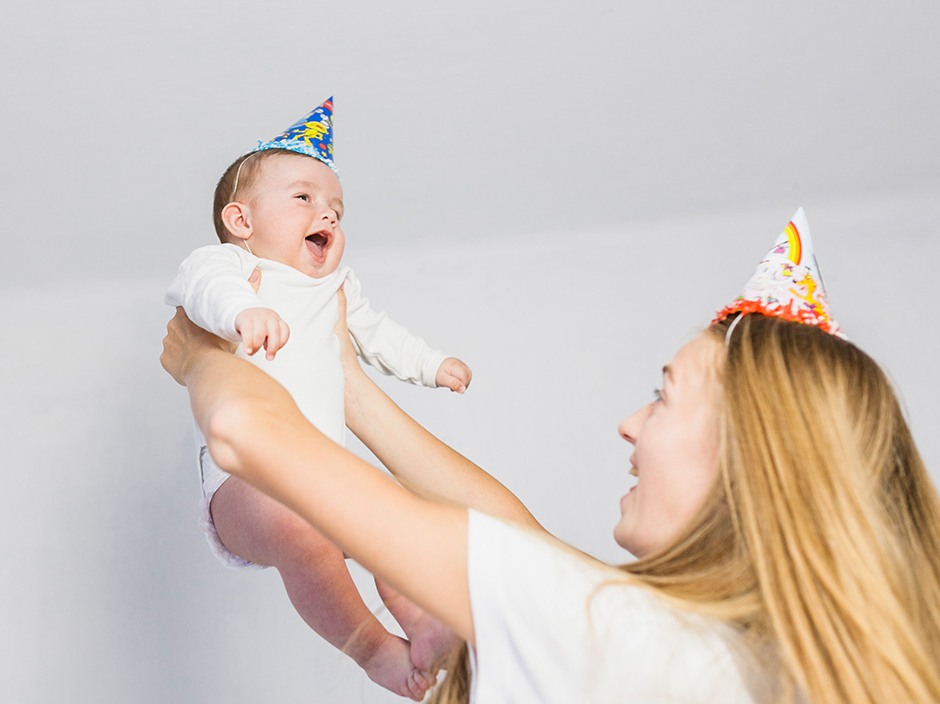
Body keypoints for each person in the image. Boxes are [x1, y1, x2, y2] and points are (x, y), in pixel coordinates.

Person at [160, 208, 940, 703]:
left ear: (751, 461)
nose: (631, 424)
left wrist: (202, 359)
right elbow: (524, 544)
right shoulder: (734, 662)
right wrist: (350, 389)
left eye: (665, 397)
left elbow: (242, 430)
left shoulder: (643, 640)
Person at [165, 97, 471, 699]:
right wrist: (241, 311)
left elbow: (380, 335)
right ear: (241, 221)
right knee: (300, 532)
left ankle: (426, 626)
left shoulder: (336, 287)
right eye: (304, 198)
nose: (326, 213)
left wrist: (432, 365)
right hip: (244, 484)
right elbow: (199, 288)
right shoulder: (227, 267)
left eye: (335, 207)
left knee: (393, 520)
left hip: (324, 468)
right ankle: (374, 650)